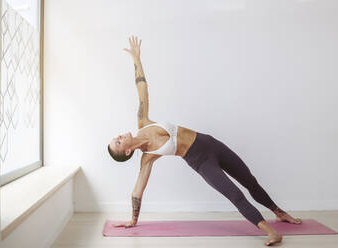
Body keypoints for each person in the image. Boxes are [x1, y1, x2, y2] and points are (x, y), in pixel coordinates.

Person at [108, 35, 302, 246]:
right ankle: (270, 232)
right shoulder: (147, 158)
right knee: (235, 194)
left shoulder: (143, 121)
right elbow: (138, 190)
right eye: (118, 142)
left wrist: (136, 59)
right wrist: (132, 220)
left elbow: (142, 89)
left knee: (250, 180)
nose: (119, 136)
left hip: (210, 144)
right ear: (127, 152)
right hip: (201, 162)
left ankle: (279, 212)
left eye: (116, 138)